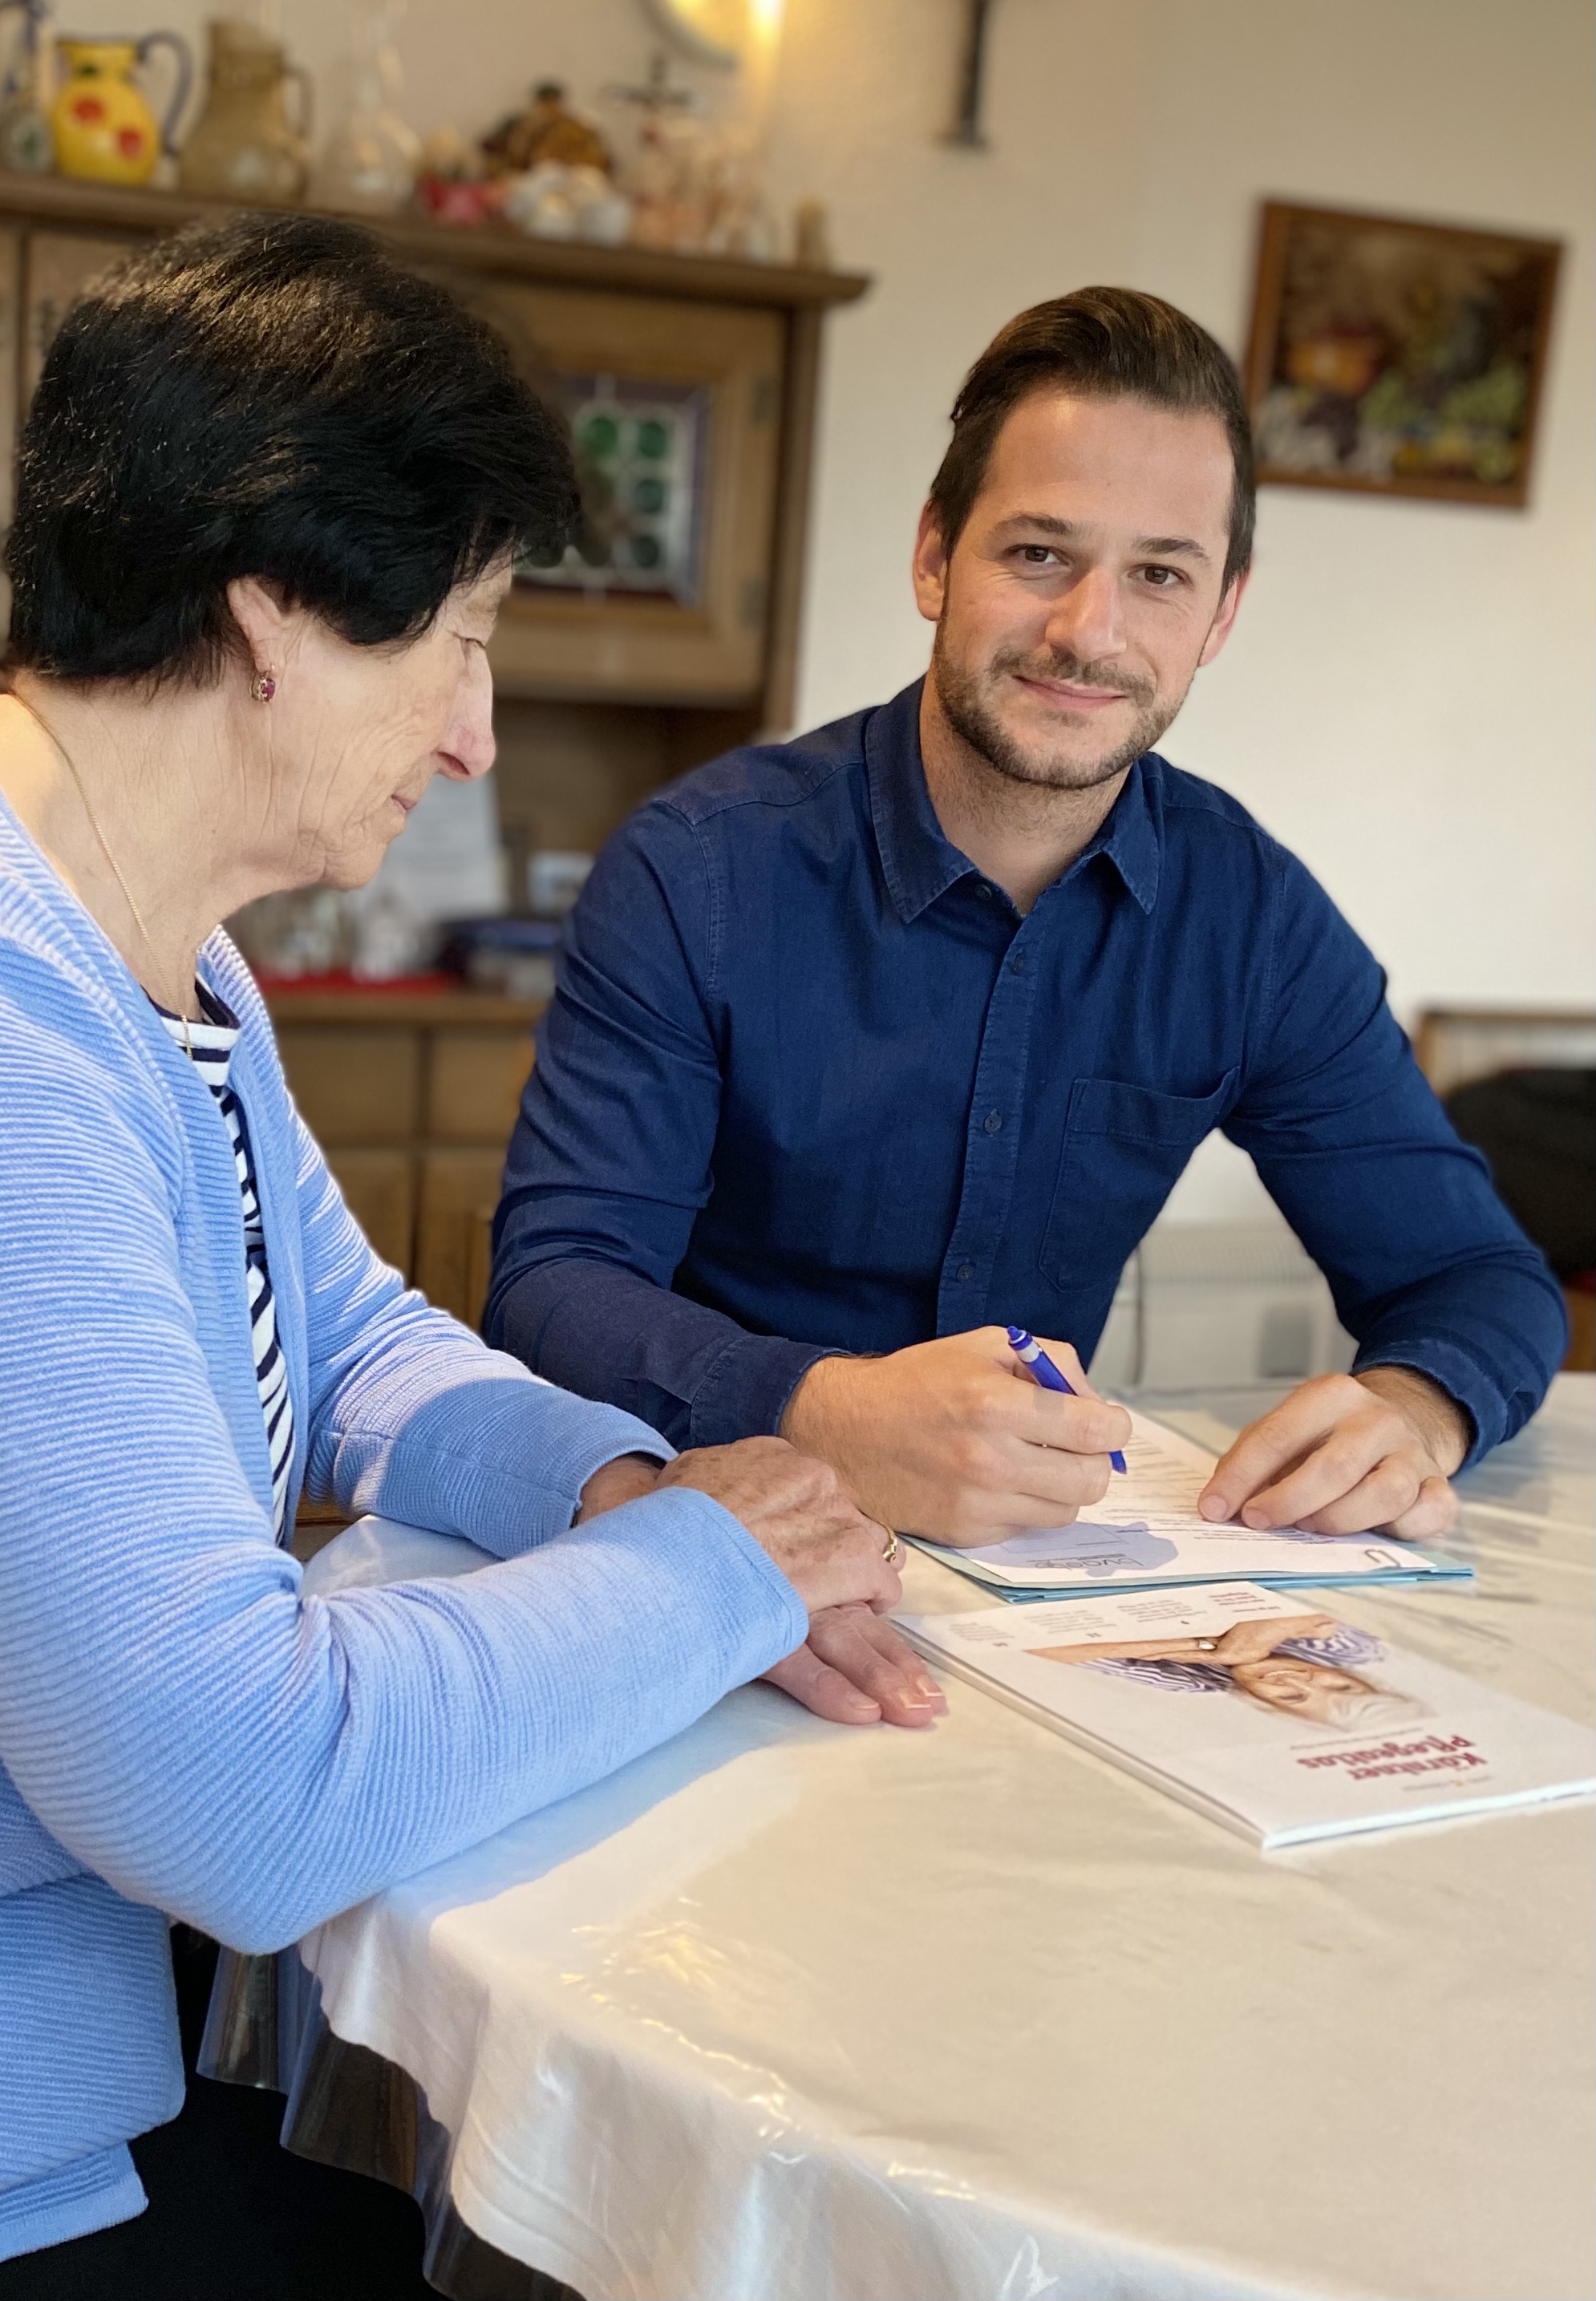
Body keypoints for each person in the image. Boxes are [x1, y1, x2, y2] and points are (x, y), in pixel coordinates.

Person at [0, 216, 922, 2301]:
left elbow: (352, 1326)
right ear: (275, 610)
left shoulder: (135, 917)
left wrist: (615, 1486)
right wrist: (718, 1567)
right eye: (457, 637)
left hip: (43, 2053)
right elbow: (239, 1782)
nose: (475, 731)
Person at [486, 287, 1565, 1551]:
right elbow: (553, 1283)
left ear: (1217, 615)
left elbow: (1477, 1278)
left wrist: (1415, 1407)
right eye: (1037, 554)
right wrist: (824, 1408)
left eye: (1157, 574)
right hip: (701, 1535)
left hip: (1041, 1582)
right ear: (934, 554)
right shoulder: (699, 871)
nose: (1085, 632)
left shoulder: (1249, 917)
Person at [1033, 1613, 1422, 1733]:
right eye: (1338, 1686)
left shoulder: (1196, 1683)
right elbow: (1314, 1614)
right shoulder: (1351, 1651)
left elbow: (1047, 1648)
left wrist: (1202, 1645)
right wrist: (1267, 1630)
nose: (1289, 1680)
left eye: (1291, 1699)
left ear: (1275, 1711)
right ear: (1361, 1679)